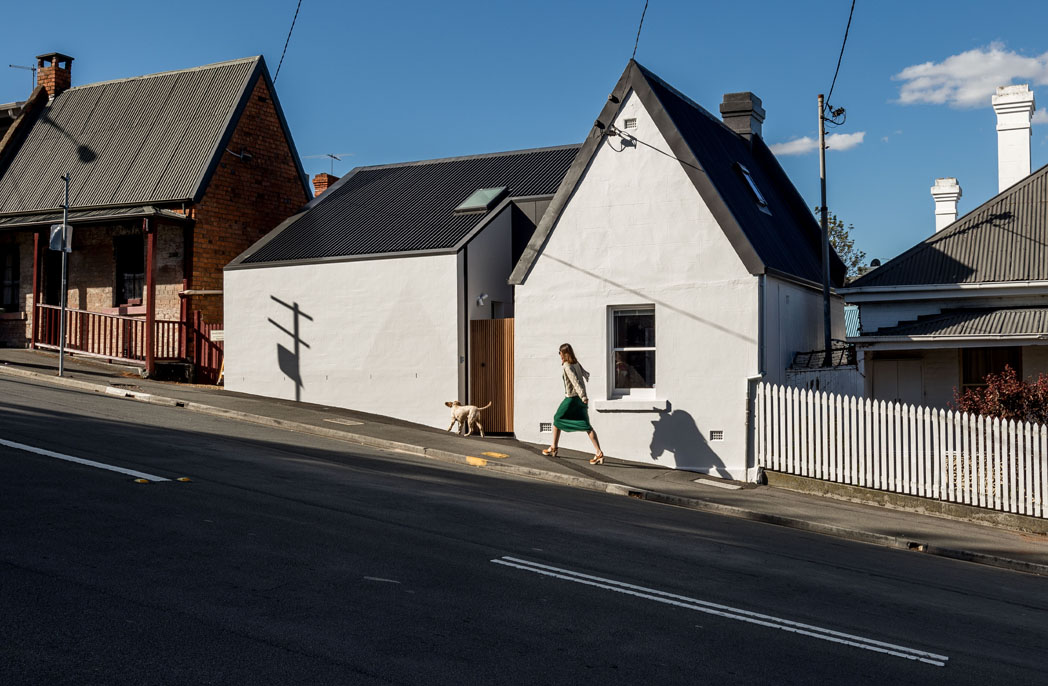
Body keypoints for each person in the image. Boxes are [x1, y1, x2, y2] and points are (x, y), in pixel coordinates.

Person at [542, 343, 605, 464]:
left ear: (564, 353)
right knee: (587, 426)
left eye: (560, 353)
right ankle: (599, 453)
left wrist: (582, 395)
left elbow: (575, 381)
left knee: (557, 418)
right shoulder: (575, 363)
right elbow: (584, 373)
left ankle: (553, 448)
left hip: (571, 399)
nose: (559, 355)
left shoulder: (567, 366)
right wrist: (584, 391)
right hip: (580, 400)